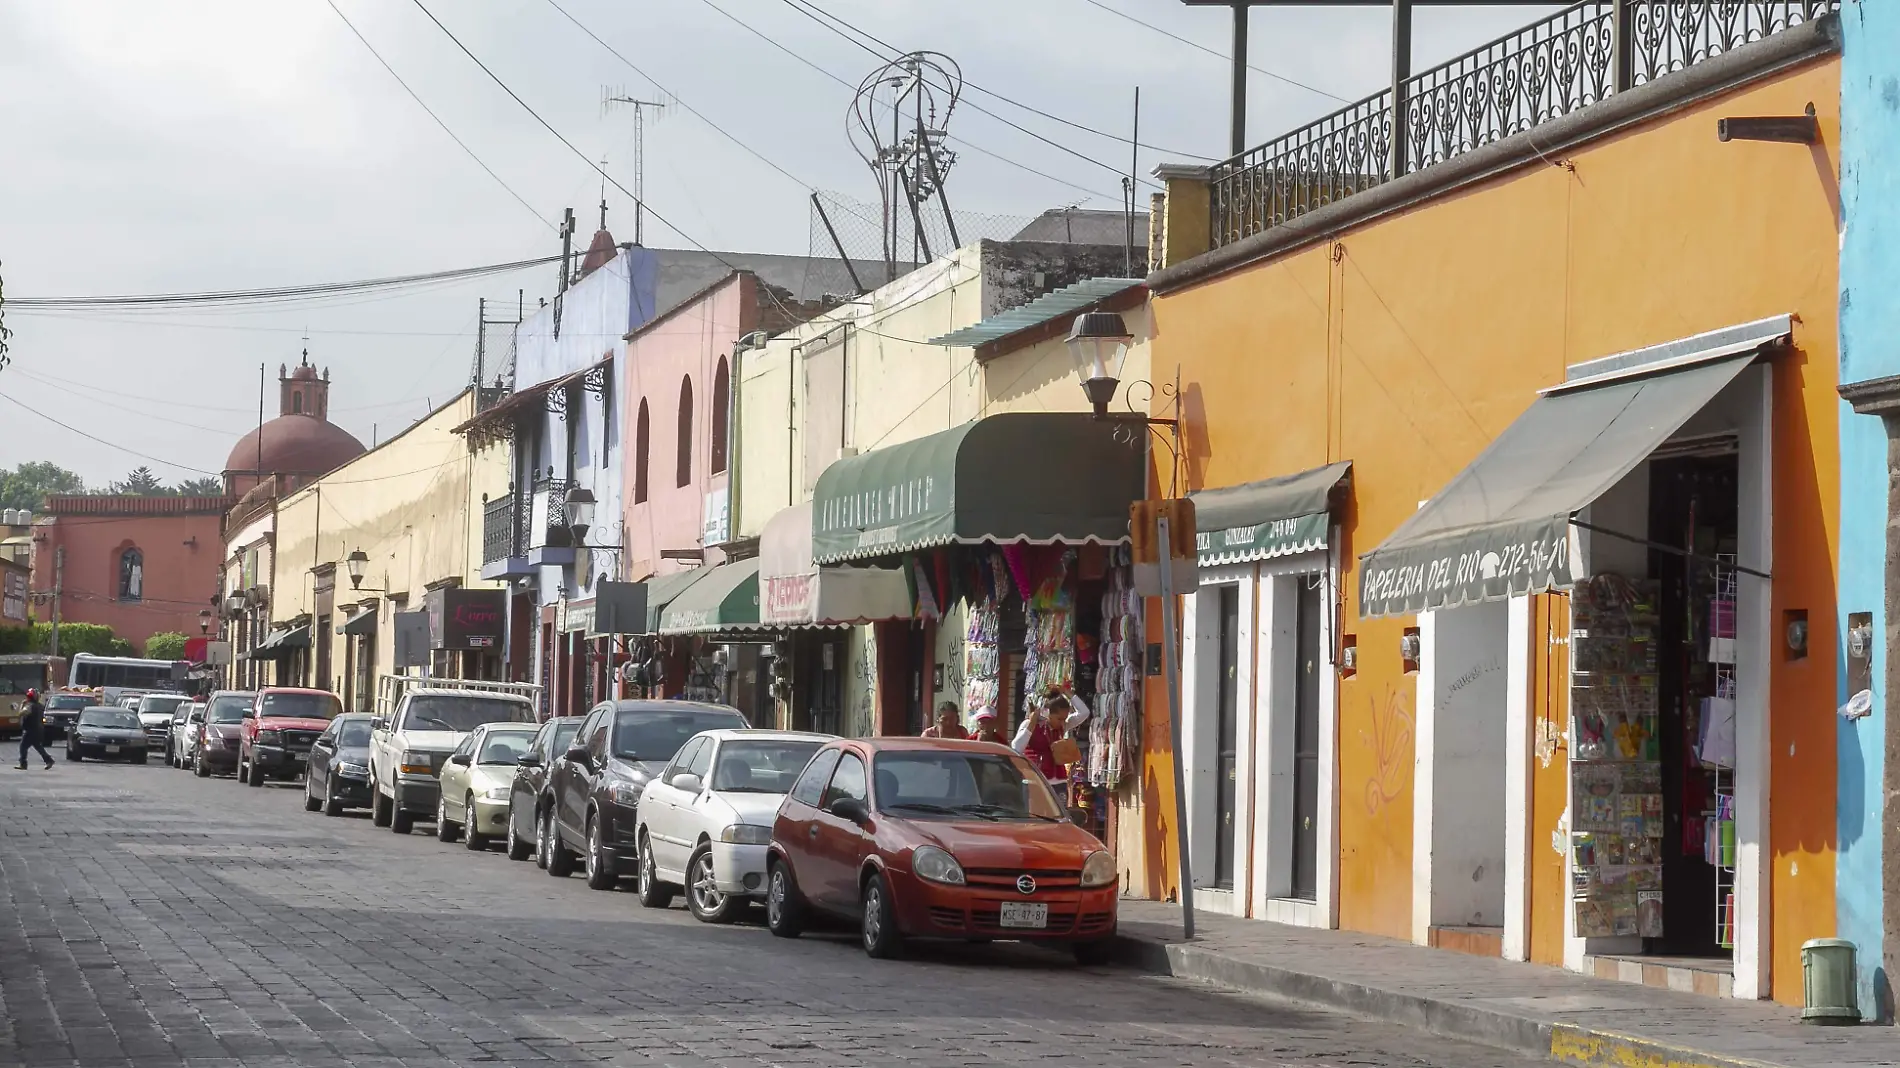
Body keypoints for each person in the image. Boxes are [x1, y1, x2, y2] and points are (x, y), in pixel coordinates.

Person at [1013, 688, 1091, 792]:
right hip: (1036, 781)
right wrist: (1031, 724)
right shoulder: (1030, 724)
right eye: (1059, 718)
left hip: (1059, 782)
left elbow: (1084, 712)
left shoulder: (1063, 726)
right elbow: (1016, 748)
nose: (1063, 722)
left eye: (1065, 718)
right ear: (1047, 713)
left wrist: (1068, 693)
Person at [17, 689, 53, 770]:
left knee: (23, 747)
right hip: (38, 730)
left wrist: (22, 705)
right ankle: (49, 760)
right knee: (38, 746)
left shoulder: (29, 706)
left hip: (30, 730)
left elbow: (21, 713)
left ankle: (23, 764)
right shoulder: (40, 706)